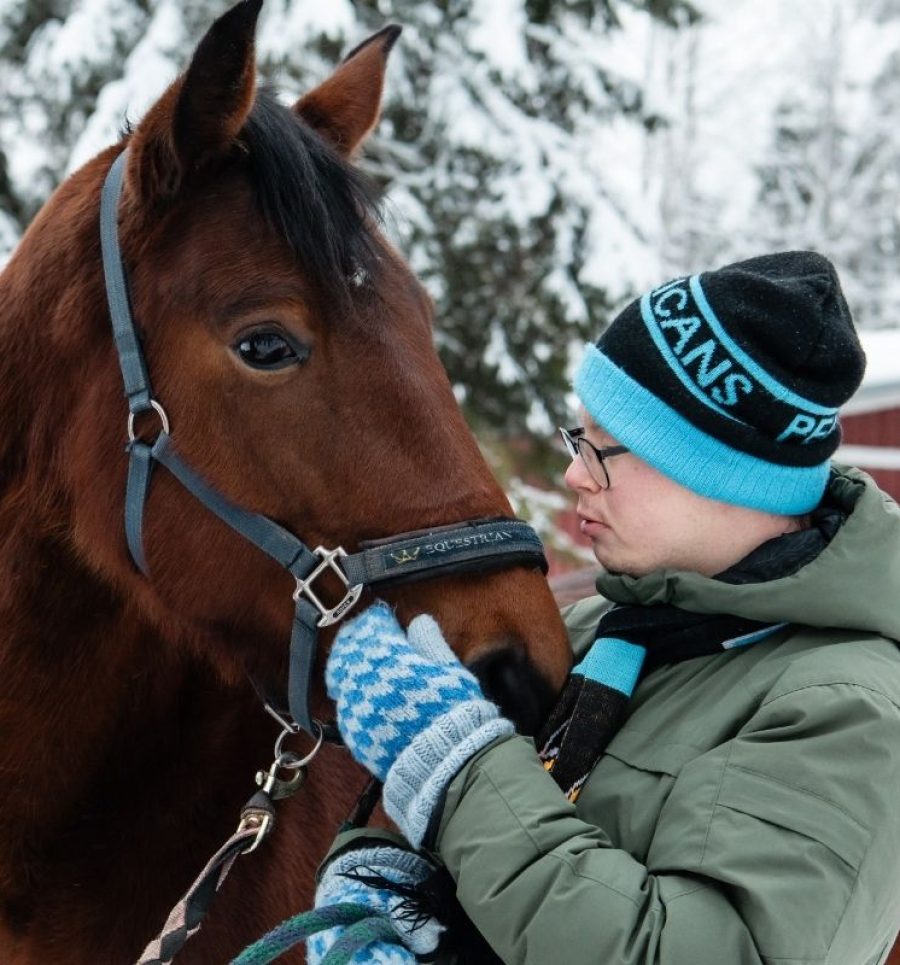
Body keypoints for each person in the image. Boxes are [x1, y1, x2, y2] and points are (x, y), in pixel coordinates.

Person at [309, 251, 900, 964]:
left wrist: (462, 773)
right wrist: (379, 869)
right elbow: (471, 834)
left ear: (719, 472)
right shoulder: (600, 630)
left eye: (602, 449)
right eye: (574, 437)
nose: (572, 475)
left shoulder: (850, 711)